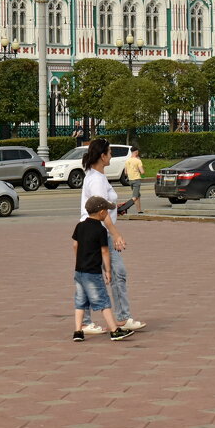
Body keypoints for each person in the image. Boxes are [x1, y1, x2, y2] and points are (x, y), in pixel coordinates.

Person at [78, 138, 145, 333]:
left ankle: (110, 318)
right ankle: (116, 318)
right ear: (102, 156)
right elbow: (100, 210)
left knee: (101, 275)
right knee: (112, 274)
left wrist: (116, 207)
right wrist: (116, 234)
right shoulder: (97, 179)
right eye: (109, 152)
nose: (111, 155)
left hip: (96, 232)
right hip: (99, 233)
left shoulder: (95, 175)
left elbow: (104, 205)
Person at [71, 196, 136, 342]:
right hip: (93, 272)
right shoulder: (100, 230)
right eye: (107, 210)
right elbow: (105, 251)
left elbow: (75, 245)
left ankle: (77, 331)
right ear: (101, 213)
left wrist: (78, 260)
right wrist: (107, 270)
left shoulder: (79, 226)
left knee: (80, 301)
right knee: (103, 301)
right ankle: (114, 330)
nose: (108, 213)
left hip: (79, 271)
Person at [124, 145, 144, 214]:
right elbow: (142, 172)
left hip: (131, 180)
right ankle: (123, 208)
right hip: (136, 180)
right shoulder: (138, 161)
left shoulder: (127, 161)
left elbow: (125, 173)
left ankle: (139, 210)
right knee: (135, 197)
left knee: (138, 195)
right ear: (136, 152)